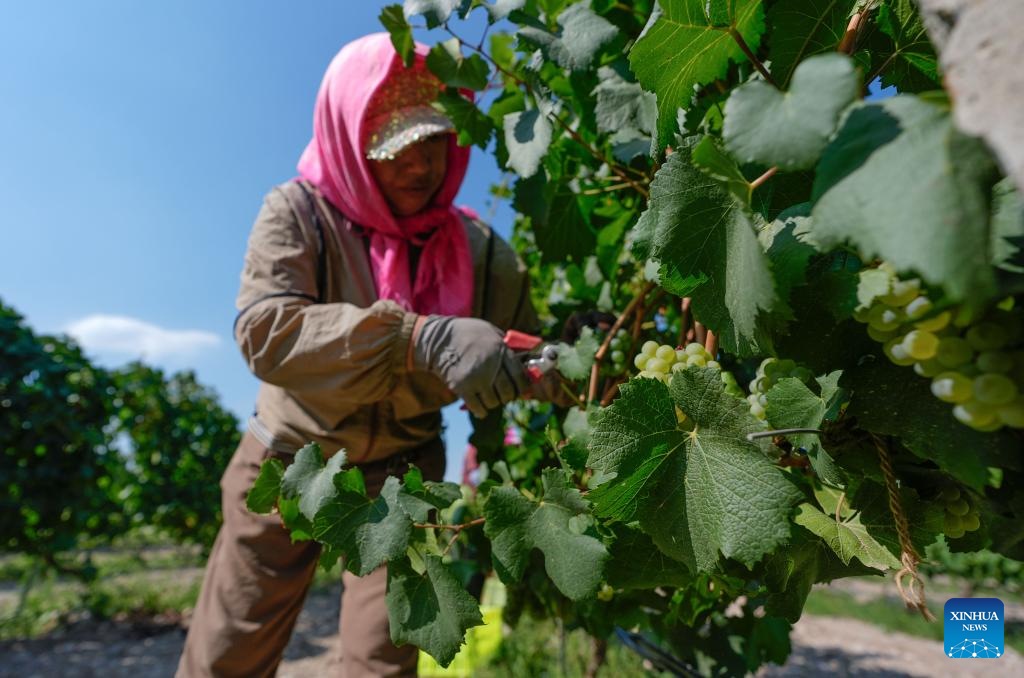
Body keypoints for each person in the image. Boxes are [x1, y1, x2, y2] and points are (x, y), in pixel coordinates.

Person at [176, 33, 548, 678]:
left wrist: (567, 359)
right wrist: (420, 337)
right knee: (228, 654)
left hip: (405, 475)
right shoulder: (297, 213)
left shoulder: (485, 252)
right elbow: (265, 331)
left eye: (436, 142)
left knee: (384, 663)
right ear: (349, 138)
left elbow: (529, 357)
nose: (421, 165)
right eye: (396, 145)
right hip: (288, 457)